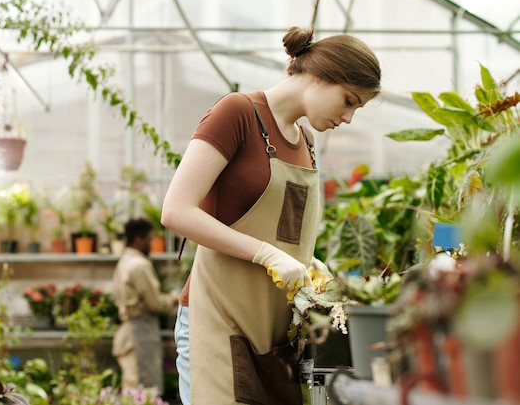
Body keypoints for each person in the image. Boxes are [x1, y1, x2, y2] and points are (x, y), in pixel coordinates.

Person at [161, 25, 381, 405]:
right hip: (218, 321)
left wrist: (310, 263)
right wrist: (266, 254)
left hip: (276, 336)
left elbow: (286, 232)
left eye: (356, 108)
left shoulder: (307, 142)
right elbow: (176, 210)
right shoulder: (238, 113)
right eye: (348, 100)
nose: (348, 118)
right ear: (319, 76)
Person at [111, 217, 177, 394]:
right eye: (149, 240)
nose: (151, 244)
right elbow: (155, 303)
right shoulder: (139, 265)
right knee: (143, 390)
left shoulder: (124, 262)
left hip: (131, 331)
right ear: (138, 240)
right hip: (139, 334)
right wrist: (172, 299)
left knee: (133, 389)